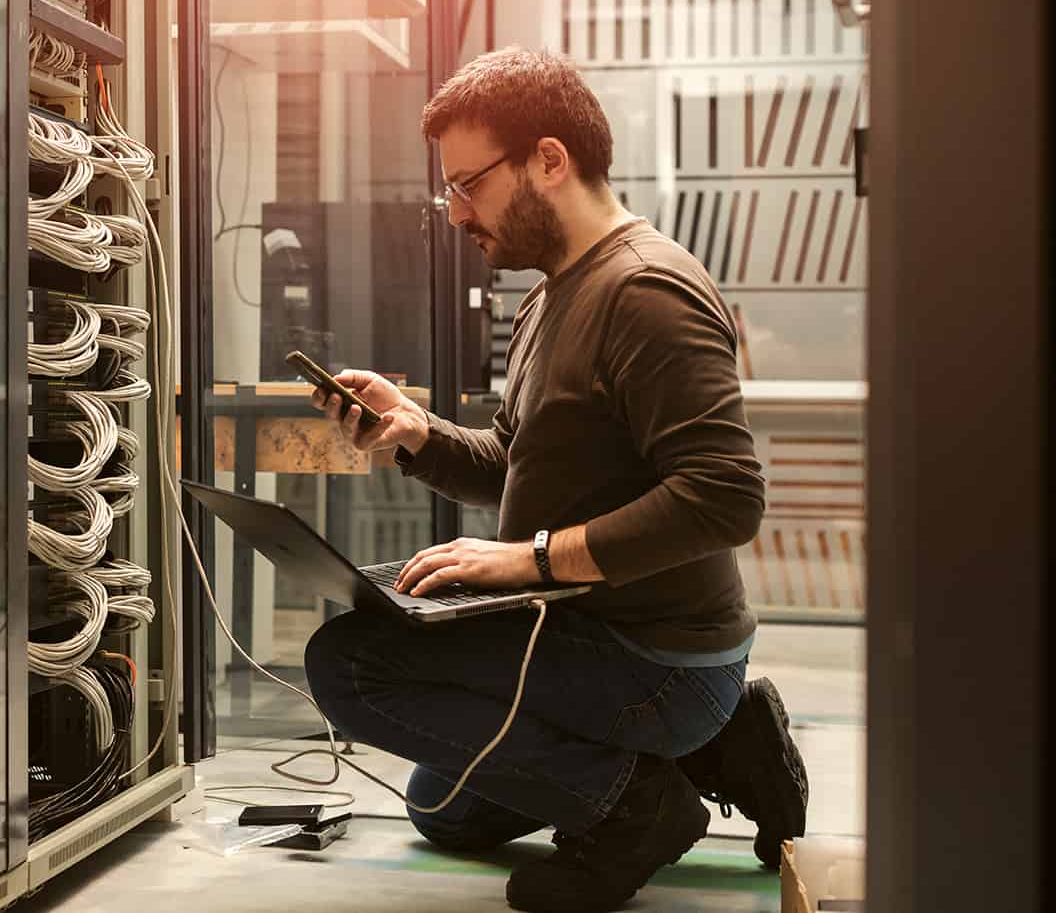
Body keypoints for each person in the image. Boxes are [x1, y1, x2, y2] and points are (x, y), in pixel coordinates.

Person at [303, 48, 808, 913]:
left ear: (548, 158)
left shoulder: (645, 289)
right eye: (449, 191)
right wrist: (417, 435)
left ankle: (641, 804)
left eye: (470, 184)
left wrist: (527, 562)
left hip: (656, 657)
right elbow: (516, 460)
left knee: (350, 664)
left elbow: (726, 495)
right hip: (589, 629)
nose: (457, 213)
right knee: (442, 811)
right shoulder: (550, 294)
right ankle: (718, 748)